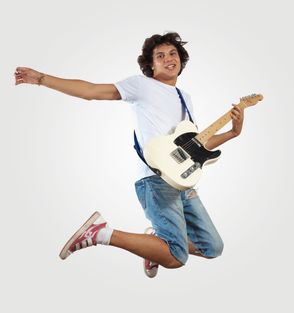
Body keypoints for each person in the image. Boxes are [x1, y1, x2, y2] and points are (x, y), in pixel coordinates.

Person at [14, 32, 244, 278]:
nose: (168, 59)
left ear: (181, 59)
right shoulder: (142, 85)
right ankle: (102, 232)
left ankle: (153, 244)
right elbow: (92, 91)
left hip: (183, 181)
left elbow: (196, 144)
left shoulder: (184, 97)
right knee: (177, 257)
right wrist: (41, 79)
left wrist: (233, 132)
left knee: (212, 247)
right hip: (155, 179)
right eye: (160, 55)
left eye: (173, 53)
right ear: (151, 65)